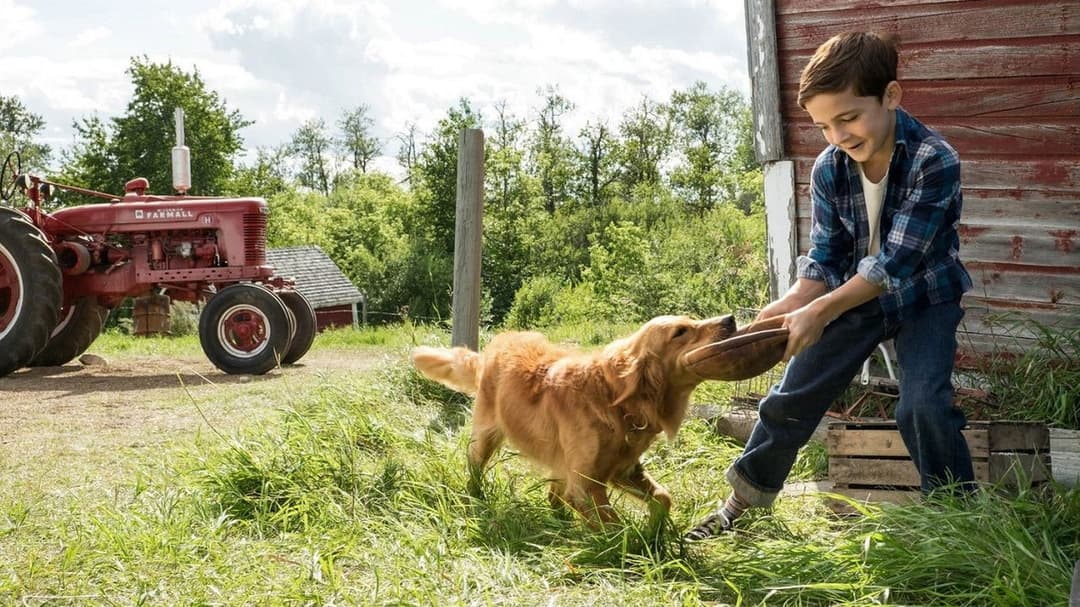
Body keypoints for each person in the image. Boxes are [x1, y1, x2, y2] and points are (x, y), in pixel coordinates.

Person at [685, 31, 975, 541]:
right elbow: (825, 259)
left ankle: (955, 518)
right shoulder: (828, 168)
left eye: (848, 118)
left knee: (923, 406)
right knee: (789, 397)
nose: (838, 135)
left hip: (925, 296)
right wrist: (788, 307)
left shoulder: (934, 160)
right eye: (823, 125)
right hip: (854, 298)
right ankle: (742, 504)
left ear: (890, 96)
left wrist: (819, 312)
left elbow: (895, 265)